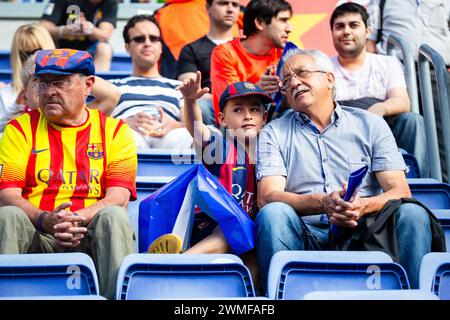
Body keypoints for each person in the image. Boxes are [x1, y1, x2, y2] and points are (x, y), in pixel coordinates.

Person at [255, 48, 433, 291]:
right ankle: (277, 295)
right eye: (286, 81)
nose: (294, 82)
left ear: (329, 78)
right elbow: (267, 196)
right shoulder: (273, 132)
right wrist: (323, 202)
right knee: (273, 214)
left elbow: (399, 191)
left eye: (302, 73)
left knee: (412, 213)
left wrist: (362, 207)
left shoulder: (370, 124)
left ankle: (415, 296)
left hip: (365, 231)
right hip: (306, 231)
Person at [0, 49, 137, 300]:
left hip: (90, 236)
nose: (50, 91)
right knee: (7, 215)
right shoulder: (18, 129)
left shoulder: (116, 131)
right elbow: (7, 194)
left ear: (88, 85)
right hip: (37, 233)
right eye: (43, 83)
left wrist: (75, 219)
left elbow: (119, 198)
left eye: (61, 82)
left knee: (114, 217)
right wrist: (46, 220)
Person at [149, 73, 270, 290]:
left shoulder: (272, 158)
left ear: (265, 118)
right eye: (238, 110)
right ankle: (175, 265)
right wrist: (190, 101)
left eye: (254, 109)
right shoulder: (222, 149)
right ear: (222, 119)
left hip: (246, 240)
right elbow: (198, 130)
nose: (248, 116)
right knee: (232, 230)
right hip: (208, 229)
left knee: (252, 247)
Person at [329, 2, 428, 177]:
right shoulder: (323, 66)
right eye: (339, 26)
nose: (346, 31)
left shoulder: (387, 63)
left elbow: (402, 101)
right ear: (332, 33)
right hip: (336, 134)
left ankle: (416, 185)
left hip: (382, 129)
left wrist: (379, 109)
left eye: (354, 25)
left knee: (412, 121)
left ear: (367, 31)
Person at [109, 14, 193, 149]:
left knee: (202, 137)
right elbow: (96, 122)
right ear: (127, 47)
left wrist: (174, 125)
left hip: (171, 136)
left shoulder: (178, 86)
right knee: (120, 137)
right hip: (127, 135)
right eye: (139, 39)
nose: (147, 43)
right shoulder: (113, 86)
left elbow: (193, 125)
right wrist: (122, 123)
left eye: (153, 39)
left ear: (160, 47)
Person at [210, 0, 292, 122]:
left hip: (273, 123)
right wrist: (258, 89)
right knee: (202, 105)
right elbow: (230, 103)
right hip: (236, 128)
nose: (289, 28)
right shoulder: (225, 52)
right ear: (260, 23)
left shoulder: (288, 54)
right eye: (283, 20)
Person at [176, 0, 240, 125]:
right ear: (208, 8)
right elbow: (192, 91)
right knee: (199, 106)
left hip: (244, 106)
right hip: (209, 109)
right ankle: (210, 143)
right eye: (223, 3)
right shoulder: (191, 49)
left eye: (235, 5)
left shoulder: (246, 47)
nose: (230, 9)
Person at [0, 23, 55, 134]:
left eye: (36, 52)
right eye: (24, 54)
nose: (31, 59)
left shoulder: (63, 89)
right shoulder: (5, 94)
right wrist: (15, 109)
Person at [40, 0, 118, 71]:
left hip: (89, 51)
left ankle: (97, 83)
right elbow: (43, 28)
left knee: (104, 48)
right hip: (59, 49)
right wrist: (63, 30)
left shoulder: (110, 3)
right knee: (42, 43)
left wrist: (89, 28)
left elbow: (105, 35)